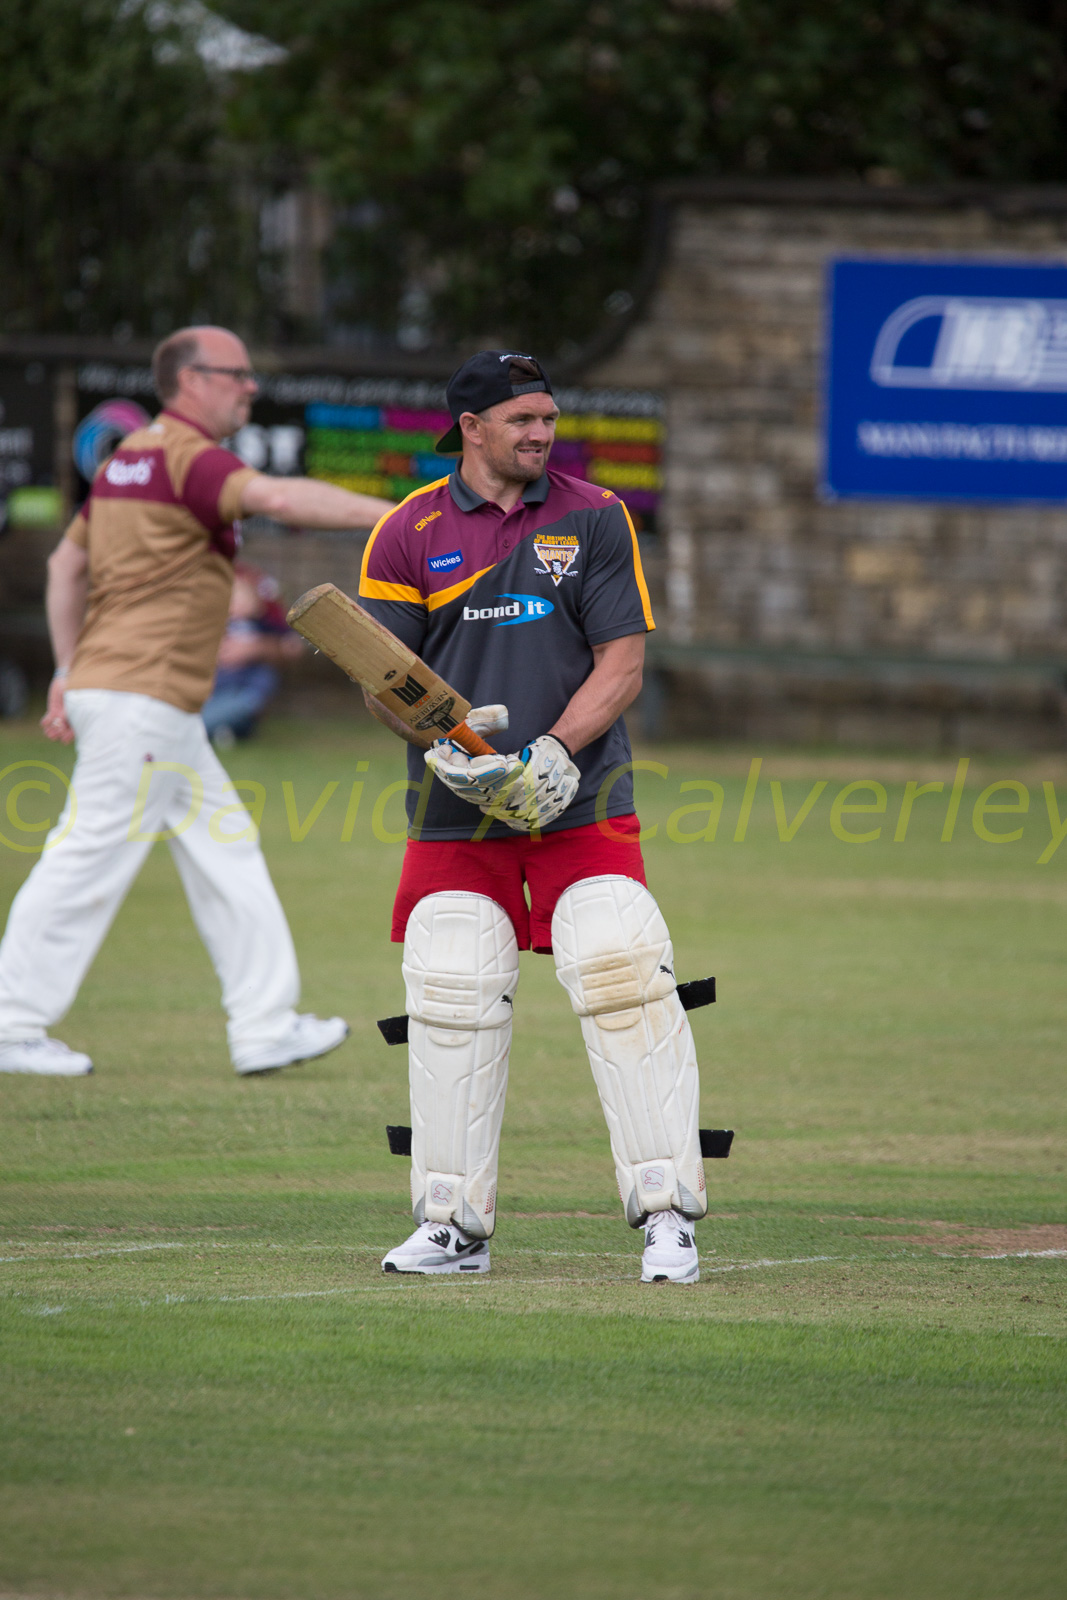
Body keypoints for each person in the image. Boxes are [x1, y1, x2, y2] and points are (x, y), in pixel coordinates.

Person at [358, 350, 709, 1285]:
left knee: (622, 972)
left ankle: (666, 1216)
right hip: (452, 812)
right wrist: (446, 745)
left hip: (579, 800)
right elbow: (384, 685)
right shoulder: (405, 531)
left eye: (548, 418)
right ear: (470, 428)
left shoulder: (594, 515)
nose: (542, 433)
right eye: (522, 419)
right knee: (451, 989)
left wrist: (551, 752)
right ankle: (451, 1225)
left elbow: (622, 665)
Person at [0, 325, 395, 1078]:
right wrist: (399, 514)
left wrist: (66, 668)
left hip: (143, 700)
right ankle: (11, 1022)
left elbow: (64, 566)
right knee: (85, 858)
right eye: (236, 374)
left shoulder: (127, 460)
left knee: (227, 850)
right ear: (189, 380)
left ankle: (264, 1027)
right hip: (140, 700)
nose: (250, 386)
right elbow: (279, 495)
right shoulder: (189, 456)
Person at [202, 562, 303, 746]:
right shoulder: (218, 623)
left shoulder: (263, 625)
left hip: (246, 687)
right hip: (217, 685)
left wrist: (259, 647)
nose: (238, 605)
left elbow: (291, 645)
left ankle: (215, 725)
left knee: (254, 689)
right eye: (234, 600)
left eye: (244, 600)